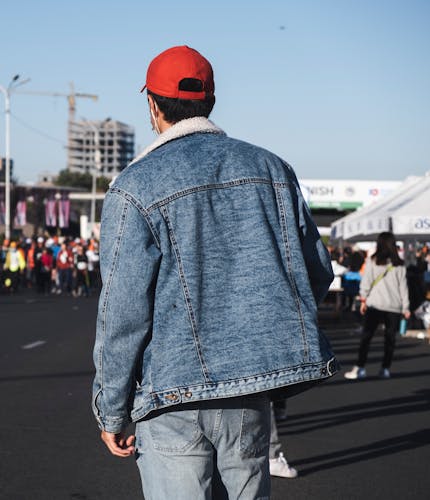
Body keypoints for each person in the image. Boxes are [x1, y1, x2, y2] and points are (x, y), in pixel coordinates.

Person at [92, 45, 336, 499]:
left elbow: (123, 314)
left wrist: (111, 409)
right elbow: (316, 274)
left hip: (171, 393)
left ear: (152, 104)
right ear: (211, 101)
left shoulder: (134, 185)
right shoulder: (271, 169)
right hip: (249, 392)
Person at [344, 231, 411, 380]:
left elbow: (366, 281)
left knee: (367, 337)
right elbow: (403, 288)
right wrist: (406, 307)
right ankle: (385, 368)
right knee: (390, 339)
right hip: (394, 306)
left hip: (375, 304)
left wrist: (363, 299)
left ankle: (360, 367)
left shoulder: (373, 261)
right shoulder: (399, 264)